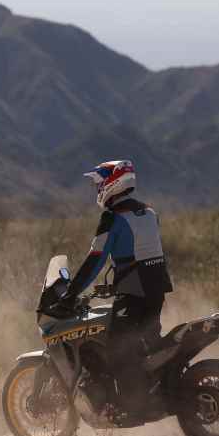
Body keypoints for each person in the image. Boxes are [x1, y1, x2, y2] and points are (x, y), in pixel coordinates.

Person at [60, 159, 173, 412]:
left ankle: (130, 408)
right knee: (146, 346)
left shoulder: (112, 218)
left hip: (134, 294)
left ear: (113, 183)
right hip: (156, 291)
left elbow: (94, 261)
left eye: (99, 184)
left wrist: (71, 293)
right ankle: (156, 395)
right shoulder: (150, 212)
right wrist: (114, 286)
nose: (97, 189)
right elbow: (142, 255)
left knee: (117, 350)